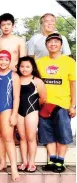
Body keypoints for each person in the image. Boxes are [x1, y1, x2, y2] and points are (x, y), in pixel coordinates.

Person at [37, 33, 75, 173]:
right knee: (48, 134)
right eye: (50, 42)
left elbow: (73, 84)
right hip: (44, 104)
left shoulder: (69, 62)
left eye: (56, 42)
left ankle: (60, 161)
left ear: (61, 45)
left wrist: (73, 105)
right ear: (46, 45)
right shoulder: (40, 62)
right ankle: (52, 160)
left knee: (63, 134)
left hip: (62, 104)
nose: (53, 44)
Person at [0, 50, 21, 181]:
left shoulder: (14, 76)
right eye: (1, 59)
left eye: (6, 60)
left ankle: (13, 168)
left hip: (7, 108)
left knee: (8, 137)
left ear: (10, 61)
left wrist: (14, 114)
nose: (3, 62)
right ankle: (2, 162)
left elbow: (16, 97)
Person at [16, 56, 46, 173]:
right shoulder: (16, 78)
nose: (24, 69)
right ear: (19, 67)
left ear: (32, 68)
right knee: (22, 138)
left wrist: (34, 107)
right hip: (19, 111)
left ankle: (32, 162)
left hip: (32, 111)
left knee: (31, 137)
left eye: (27, 67)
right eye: (22, 66)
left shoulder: (37, 81)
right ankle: (24, 162)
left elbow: (43, 98)